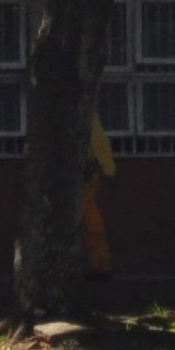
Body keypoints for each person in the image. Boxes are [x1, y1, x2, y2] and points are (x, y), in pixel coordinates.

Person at [78, 107, 117, 279]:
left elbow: (98, 147)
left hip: (86, 177)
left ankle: (100, 266)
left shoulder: (86, 119)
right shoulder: (88, 118)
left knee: (90, 223)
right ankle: (99, 265)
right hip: (87, 175)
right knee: (90, 223)